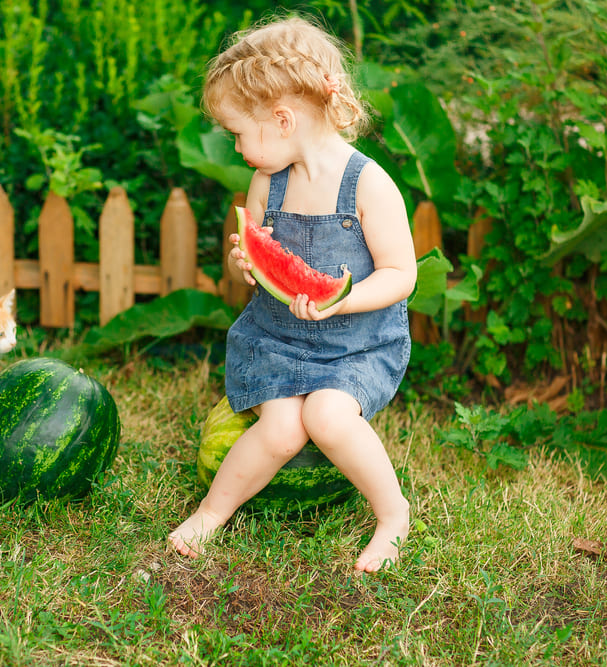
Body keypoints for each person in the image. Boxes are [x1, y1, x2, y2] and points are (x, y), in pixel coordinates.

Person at [168, 15, 417, 572]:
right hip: (277, 338)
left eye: (238, 133)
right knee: (280, 429)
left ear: (282, 119)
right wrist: (245, 267)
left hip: (355, 344)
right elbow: (254, 272)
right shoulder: (266, 182)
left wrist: (342, 300)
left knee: (327, 417)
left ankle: (392, 513)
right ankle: (212, 513)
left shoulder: (369, 183)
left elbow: (403, 274)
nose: (235, 147)